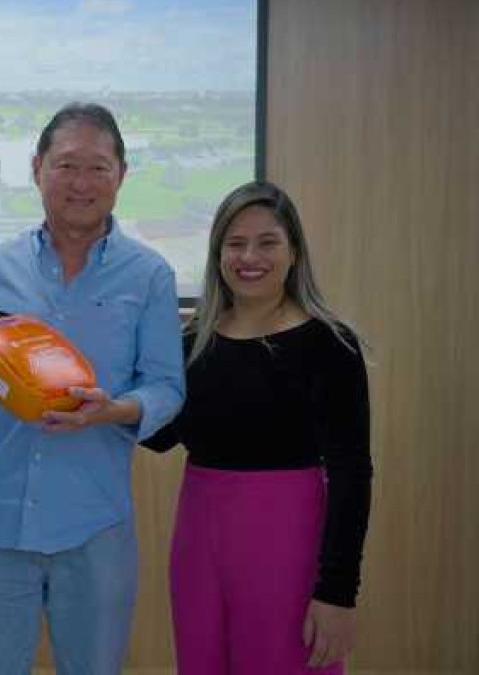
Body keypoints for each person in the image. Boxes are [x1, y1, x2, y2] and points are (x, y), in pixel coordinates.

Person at [0, 103, 185, 674]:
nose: (81, 183)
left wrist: (114, 410)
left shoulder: (149, 275)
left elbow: (167, 387)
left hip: (95, 525)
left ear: (122, 175)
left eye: (98, 168)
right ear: (37, 168)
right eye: (66, 165)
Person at [142, 180, 373, 674]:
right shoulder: (192, 343)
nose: (250, 257)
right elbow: (160, 437)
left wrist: (337, 593)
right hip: (199, 540)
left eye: (267, 242)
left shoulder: (330, 345)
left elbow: (352, 475)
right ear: (218, 254)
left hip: (289, 542)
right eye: (235, 243)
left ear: (294, 252)